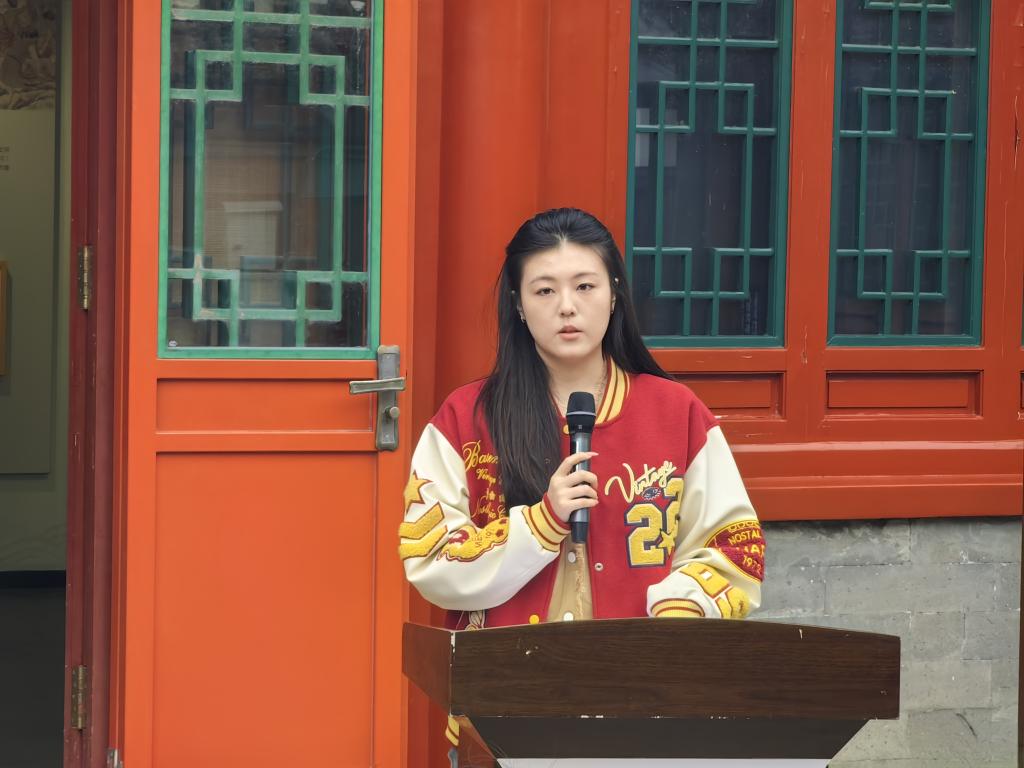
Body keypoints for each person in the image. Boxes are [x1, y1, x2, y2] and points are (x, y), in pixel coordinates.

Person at [399, 207, 764, 633]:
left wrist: (680, 611)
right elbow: (429, 557)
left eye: (585, 286)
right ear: (518, 304)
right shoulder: (465, 418)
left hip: (638, 667)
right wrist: (541, 522)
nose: (567, 307)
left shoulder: (676, 412)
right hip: (506, 668)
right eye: (544, 291)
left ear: (614, 295)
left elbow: (734, 548)